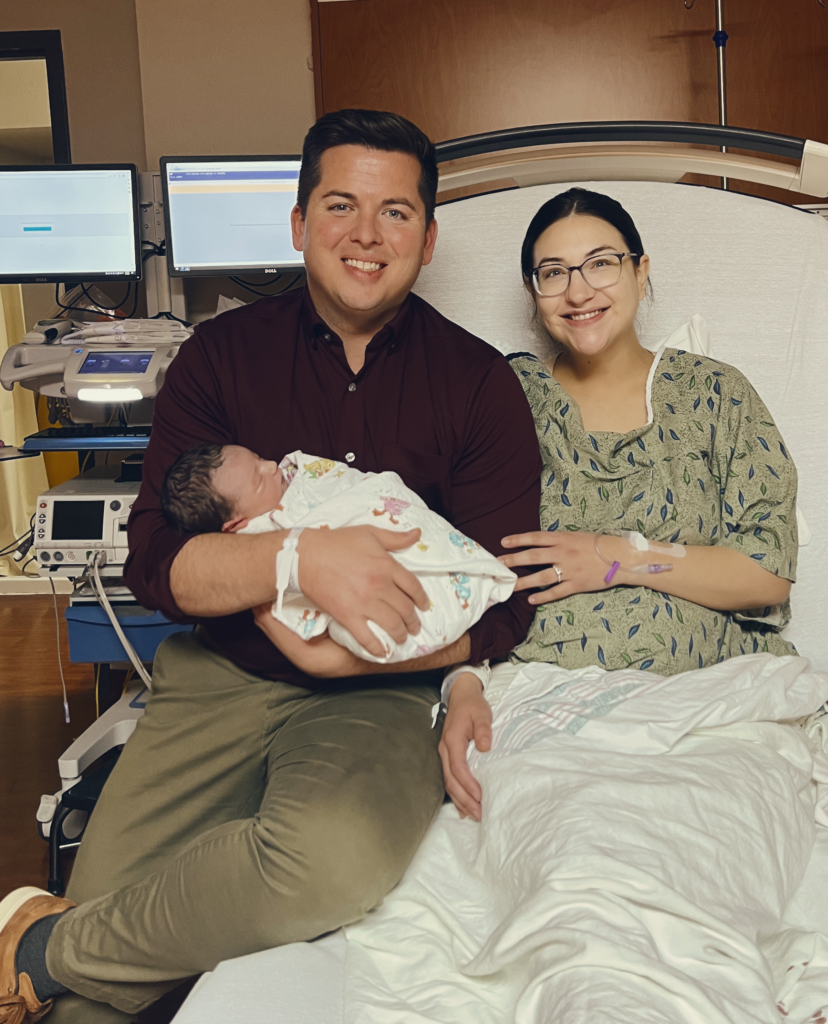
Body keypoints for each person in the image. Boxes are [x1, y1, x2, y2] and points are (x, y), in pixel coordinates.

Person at [0, 109, 541, 1024]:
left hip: (380, 691)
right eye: (340, 205)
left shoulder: (481, 385)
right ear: (297, 225)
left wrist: (358, 657)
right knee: (83, 1007)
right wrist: (300, 561)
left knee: (327, 865)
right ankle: (60, 963)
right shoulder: (218, 360)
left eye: (396, 213)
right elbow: (157, 564)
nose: (366, 235)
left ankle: (43, 944)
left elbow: (504, 605)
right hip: (218, 679)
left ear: (430, 236)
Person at [439, 187, 798, 822]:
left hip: (707, 694)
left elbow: (765, 568)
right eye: (553, 274)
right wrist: (462, 680)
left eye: (601, 263)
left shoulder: (716, 396)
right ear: (534, 294)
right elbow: (454, 555)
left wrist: (618, 556)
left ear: (641, 269)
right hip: (540, 695)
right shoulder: (503, 397)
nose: (578, 292)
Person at [159, 442, 515, 662]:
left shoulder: (301, 475)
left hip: (398, 533)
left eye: (259, 458)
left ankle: (463, 576)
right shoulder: (254, 537)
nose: (271, 467)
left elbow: (359, 488)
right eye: (257, 479)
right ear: (236, 526)